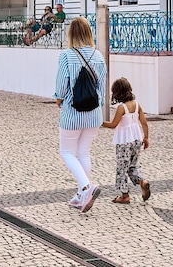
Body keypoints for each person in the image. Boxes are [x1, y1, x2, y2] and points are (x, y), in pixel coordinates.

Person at [53, 17, 107, 213]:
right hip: (93, 113)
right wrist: (99, 106)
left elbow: (61, 85)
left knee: (67, 152)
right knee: (84, 152)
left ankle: (86, 187)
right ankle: (80, 195)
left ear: (71, 34)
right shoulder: (98, 56)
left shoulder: (66, 55)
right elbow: (102, 87)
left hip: (72, 113)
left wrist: (58, 99)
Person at [101, 77, 152, 204]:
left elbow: (113, 124)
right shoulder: (137, 105)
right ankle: (142, 181)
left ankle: (124, 196)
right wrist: (146, 137)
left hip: (124, 141)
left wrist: (99, 122)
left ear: (117, 93)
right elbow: (144, 123)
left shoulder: (122, 108)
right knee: (132, 166)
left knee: (121, 168)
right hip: (136, 140)